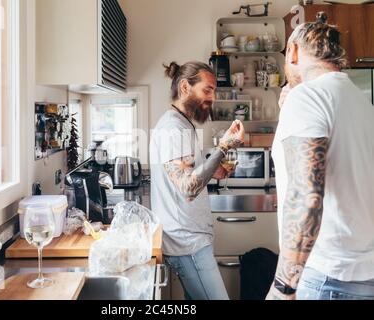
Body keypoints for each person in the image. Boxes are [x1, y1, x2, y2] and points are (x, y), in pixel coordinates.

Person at [266, 13, 374, 300]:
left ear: (293, 51)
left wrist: (283, 287)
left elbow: (306, 196)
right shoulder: (361, 102)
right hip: (363, 273)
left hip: (326, 278)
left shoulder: (307, 98)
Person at [150, 61, 245, 300]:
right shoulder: (173, 128)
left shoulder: (183, 123)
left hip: (191, 239)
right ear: (185, 87)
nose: (212, 97)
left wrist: (214, 170)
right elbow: (187, 189)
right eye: (207, 89)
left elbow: (190, 173)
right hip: (186, 243)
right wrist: (224, 147)